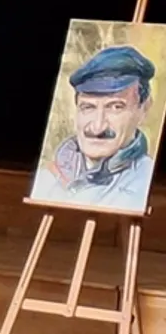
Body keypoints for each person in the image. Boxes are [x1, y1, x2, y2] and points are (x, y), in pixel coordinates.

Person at [31, 45, 156, 213]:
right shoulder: (46, 178)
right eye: (88, 107)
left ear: (144, 109)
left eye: (116, 107)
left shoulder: (145, 182)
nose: (98, 127)